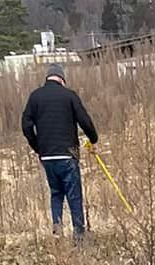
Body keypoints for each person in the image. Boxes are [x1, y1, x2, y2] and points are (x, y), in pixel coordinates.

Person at [20, 66, 99, 238]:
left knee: (56, 193)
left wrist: (38, 147)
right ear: (62, 79)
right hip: (68, 153)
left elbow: (25, 125)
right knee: (74, 194)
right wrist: (93, 139)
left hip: (47, 155)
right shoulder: (69, 95)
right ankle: (79, 235)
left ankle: (57, 230)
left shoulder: (35, 97)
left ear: (48, 78)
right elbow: (84, 120)